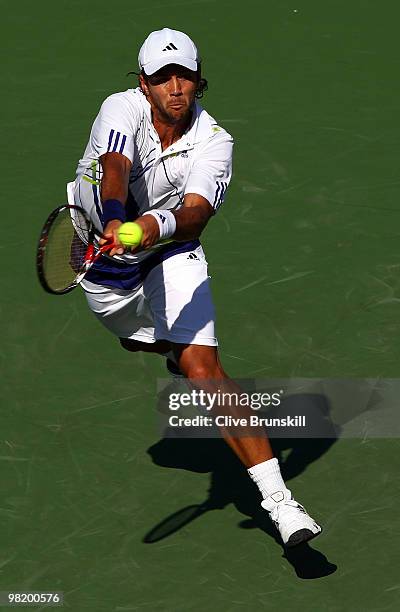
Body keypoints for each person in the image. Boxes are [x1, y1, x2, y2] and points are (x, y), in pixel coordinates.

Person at [69, 27, 322, 547]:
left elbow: (196, 215)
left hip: (169, 252)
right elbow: (115, 167)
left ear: (197, 78)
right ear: (144, 84)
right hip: (101, 261)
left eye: (184, 74)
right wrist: (117, 217)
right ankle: (171, 349)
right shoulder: (120, 109)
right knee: (133, 337)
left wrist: (144, 229)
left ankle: (281, 504)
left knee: (205, 370)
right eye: (163, 78)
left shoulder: (215, 141)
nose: (176, 87)